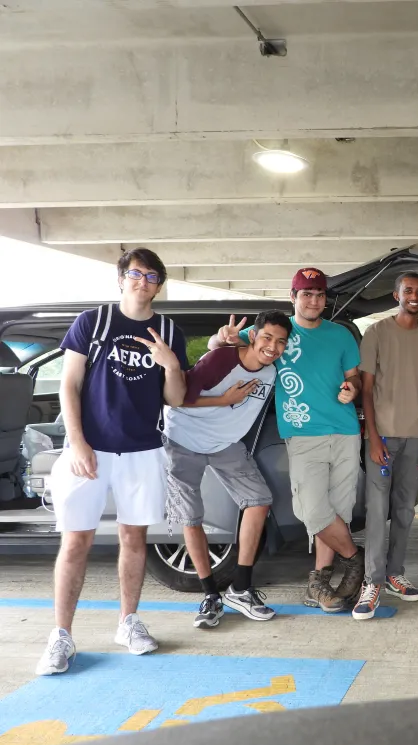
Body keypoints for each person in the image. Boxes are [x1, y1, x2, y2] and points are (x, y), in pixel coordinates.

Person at [37, 248, 189, 675]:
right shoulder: (94, 322)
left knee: (134, 539)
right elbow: (69, 384)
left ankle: (128, 622)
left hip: (143, 450)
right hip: (90, 450)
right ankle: (61, 636)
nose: (144, 282)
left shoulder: (168, 330)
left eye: (153, 276)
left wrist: (171, 364)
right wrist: (78, 441)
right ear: (121, 279)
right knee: (75, 542)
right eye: (136, 274)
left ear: (160, 284)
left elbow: (175, 398)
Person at [208, 268, 366, 615]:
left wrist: (352, 388)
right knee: (311, 510)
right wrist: (219, 339)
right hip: (303, 433)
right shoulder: (277, 331)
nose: (314, 301)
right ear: (293, 296)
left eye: (320, 294)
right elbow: (225, 347)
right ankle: (356, 559)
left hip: (344, 431)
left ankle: (320, 582)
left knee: (337, 509)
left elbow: (355, 376)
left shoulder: (340, 335)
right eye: (306, 294)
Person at [163, 310, 292, 628]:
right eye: (266, 338)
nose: (272, 347)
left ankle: (241, 587)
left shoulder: (271, 373)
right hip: (183, 440)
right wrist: (222, 399)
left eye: (280, 342)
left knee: (259, 501)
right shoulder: (220, 360)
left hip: (225, 446)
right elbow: (176, 399)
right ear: (254, 336)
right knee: (191, 517)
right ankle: (210, 596)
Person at [355, 272, 418, 620]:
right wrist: (373, 437)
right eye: (409, 291)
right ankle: (372, 581)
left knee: (405, 510)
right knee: (377, 510)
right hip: (382, 439)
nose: (415, 296)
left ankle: (394, 574)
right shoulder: (377, 333)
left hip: (412, 438)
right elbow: (365, 391)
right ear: (397, 295)